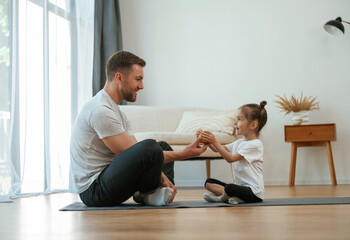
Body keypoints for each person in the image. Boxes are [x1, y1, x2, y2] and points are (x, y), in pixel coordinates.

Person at [69, 51, 208, 207]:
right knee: (151, 146)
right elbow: (134, 152)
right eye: (138, 79)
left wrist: (161, 176)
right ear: (119, 78)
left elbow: (137, 153)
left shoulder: (118, 112)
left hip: (110, 180)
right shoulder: (100, 110)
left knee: (160, 146)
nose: (141, 86)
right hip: (94, 191)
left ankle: (149, 194)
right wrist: (184, 154)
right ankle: (152, 193)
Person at [198, 101, 268, 204]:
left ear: (253, 125)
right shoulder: (239, 142)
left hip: (254, 193)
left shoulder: (255, 145)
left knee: (230, 188)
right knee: (209, 182)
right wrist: (205, 140)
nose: (235, 123)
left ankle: (221, 199)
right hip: (240, 188)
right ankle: (235, 198)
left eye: (239, 119)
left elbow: (231, 159)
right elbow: (217, 149)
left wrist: (215, 141)